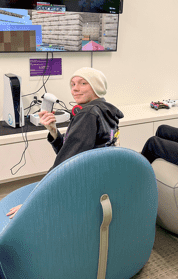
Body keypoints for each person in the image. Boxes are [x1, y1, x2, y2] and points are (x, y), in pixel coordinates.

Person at [7, 67, 124, 219]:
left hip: (83, 184)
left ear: (97, 86)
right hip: (99, 177)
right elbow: (73, 151)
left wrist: (33, 200)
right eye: (73, 84)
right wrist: (53, 131)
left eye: (83, 83)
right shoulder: (104, 110)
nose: (75, 89)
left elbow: (65, 162)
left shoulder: (88, 114)